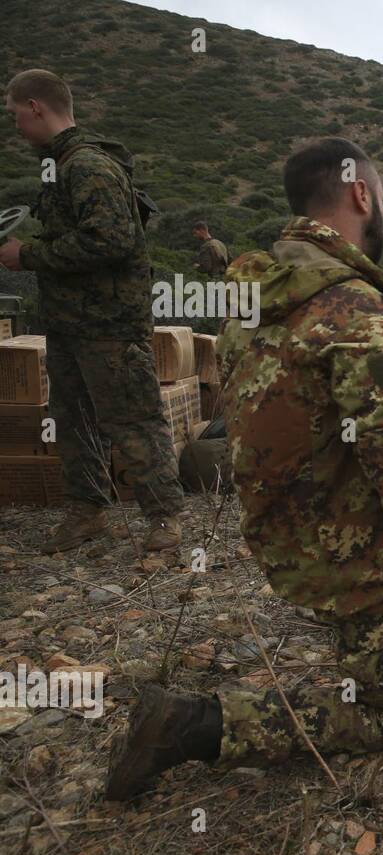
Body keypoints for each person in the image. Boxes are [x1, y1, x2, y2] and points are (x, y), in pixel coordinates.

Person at [104, 137, 383, 801]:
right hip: (342, 550)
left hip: (287, 526)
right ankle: (188, 725)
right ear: (361, 195)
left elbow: (300, 405)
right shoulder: (356, 309)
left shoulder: (263, 293)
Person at [0, 69, 182, 553]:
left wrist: (29, 257)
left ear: (37, 106)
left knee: (133, 419)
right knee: (71, 419)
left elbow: (112, 241)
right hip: (69, 323)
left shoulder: (86, 165)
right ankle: (87, 512)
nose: (15, 125)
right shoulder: (60, 165)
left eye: (16, 113)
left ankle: (164, 518)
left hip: (108, 324)